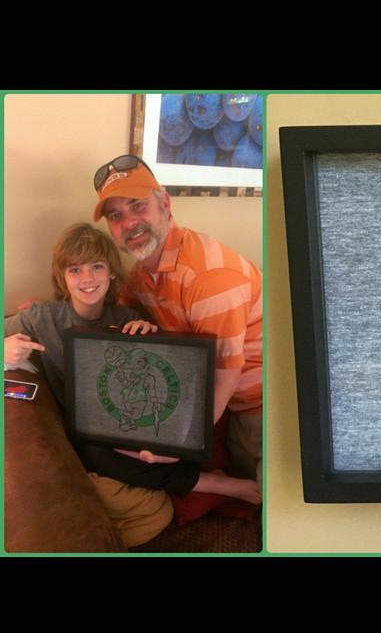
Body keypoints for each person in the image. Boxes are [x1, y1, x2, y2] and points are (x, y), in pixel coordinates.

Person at [4, 223, 261, 547]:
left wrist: (148, 332)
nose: (87, 279)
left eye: (97, 267)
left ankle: (198, 476)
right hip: (89, 436)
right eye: (75, 269)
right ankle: (210, 483)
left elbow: (167, 373)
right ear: (62, 277)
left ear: (112, 273)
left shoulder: (128, 317)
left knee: (149, 447)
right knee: (96, 455)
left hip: (133, 426)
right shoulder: (39, 317)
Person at [92, 154, 262, 487]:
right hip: (221, 402)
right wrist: (45, 310)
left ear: (165, 204)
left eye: (138, 206)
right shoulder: (141, 274)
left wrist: (178, 444)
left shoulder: (210, 277)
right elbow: (112, 318)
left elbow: (225, 376)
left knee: (277, 510)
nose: (129, 223)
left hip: (262, 404)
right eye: (116, 215)